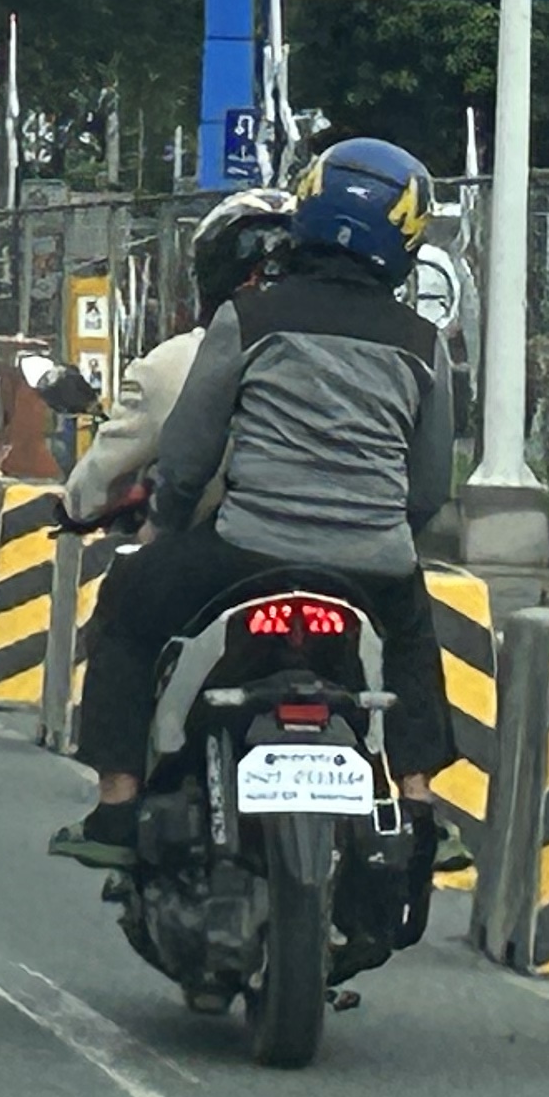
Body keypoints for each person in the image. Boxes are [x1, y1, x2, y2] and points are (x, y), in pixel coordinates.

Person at [50, 138, 462, 869]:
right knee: (410, 641)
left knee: (129, 604)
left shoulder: (249, 316)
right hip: (373, 566)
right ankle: (419, 802)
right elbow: (429, 487)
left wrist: (165, 523)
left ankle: (115, 804)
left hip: (245, 551)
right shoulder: (424, 344)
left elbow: (188, 455)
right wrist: (382, 533)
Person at [59, 184, 296, 530]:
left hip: (222, 550)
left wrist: (78, 505)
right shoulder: (339, 363)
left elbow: (89, 496)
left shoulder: (172, 365)